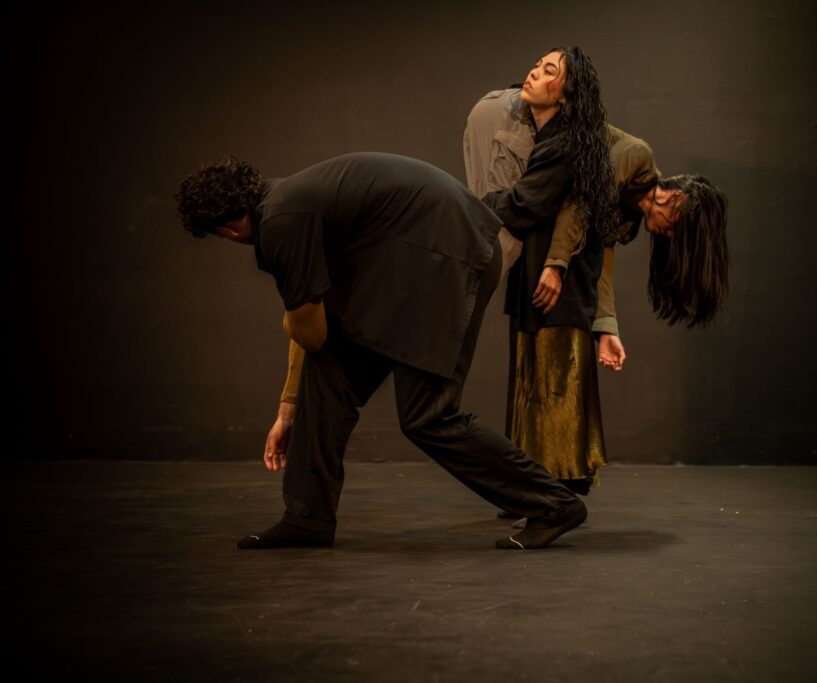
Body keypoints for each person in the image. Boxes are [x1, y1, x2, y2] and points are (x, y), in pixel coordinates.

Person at [174, 152, 588, 550]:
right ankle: (307, 516)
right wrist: (288, 408)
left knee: (428, 415)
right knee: (327, 381)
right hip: (412, 267)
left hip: (447, 258)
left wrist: (292, 317)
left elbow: (308, 331)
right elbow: (314, 336)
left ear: (226, 230)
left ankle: (554, 506)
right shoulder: (284, 203)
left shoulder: (281, 222)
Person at [466, 68, 730, 498]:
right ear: (675, 198)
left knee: (550, 370)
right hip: (513, 136)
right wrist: (554, 264)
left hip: (556, 266)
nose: (667, 234)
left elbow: (600, 267)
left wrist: (606, 329)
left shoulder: (629, 219)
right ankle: (539, 481)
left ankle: (545, 481)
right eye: (675, 226)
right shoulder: (638, 156)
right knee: (545, 371)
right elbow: (580, 199)